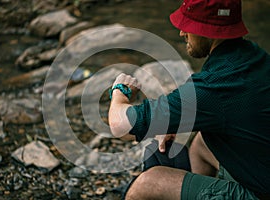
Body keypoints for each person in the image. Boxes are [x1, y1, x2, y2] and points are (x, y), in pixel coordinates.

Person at [108, 0, 270, 199]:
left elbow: (119, 125)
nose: (182, 33)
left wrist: (119, 91)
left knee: (147, 183)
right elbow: (234, 109)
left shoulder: (214, 85)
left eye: (189, 26)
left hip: (258, 193)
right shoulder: (254, 56)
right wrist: (178, 121)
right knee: (202, 142)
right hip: (260, 169)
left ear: (208, 30)